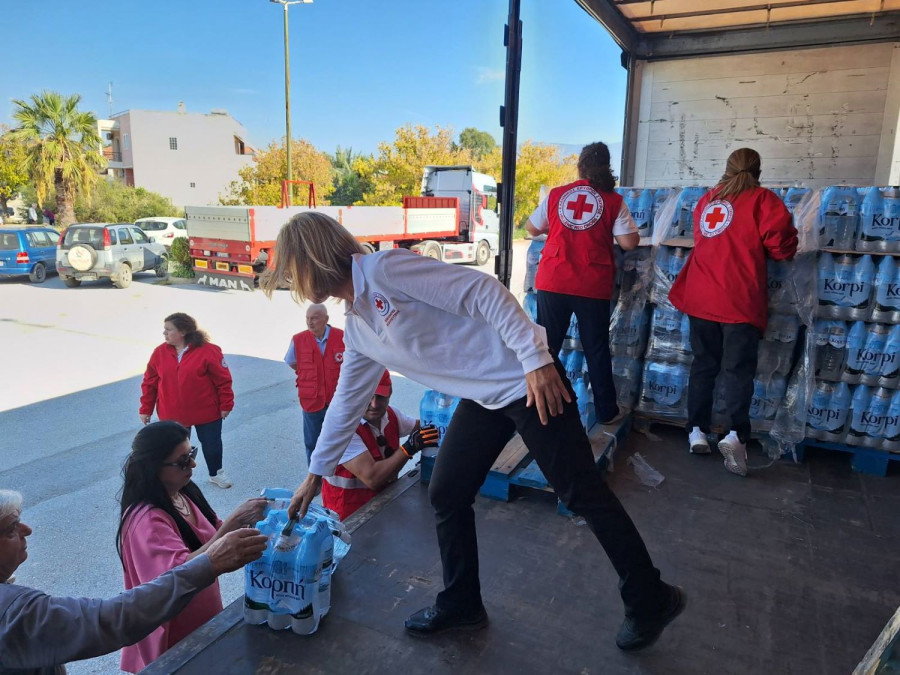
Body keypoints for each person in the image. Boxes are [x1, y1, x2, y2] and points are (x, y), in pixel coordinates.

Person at [261, 211, 683, 651]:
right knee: (447, 491)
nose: (291, 278)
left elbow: (482, 290)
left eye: (291, 266)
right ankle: (462, 603)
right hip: (485, 398)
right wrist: (315, 474)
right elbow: (347, 400)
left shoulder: (385, 270)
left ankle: (650, 596)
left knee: (580, 493)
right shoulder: (359, 326)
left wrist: (536, 358)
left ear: (312, 259)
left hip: (526, 380)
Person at [0, 489, 266, 675]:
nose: (27, 530)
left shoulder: (186, 495)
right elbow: (111, 619)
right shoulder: (14, 610)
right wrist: (211, 562)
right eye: (12, 527)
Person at [669, 147, 798, 476]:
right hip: (738, 298)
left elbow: (702, 238)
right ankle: (734, 435)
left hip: (700, 294)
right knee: (737, 371)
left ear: (726, 168)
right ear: (758, 170)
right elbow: (781, 247)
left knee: (703, 365)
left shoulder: (708, 200)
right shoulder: (764, 201)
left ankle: (696, 431)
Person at [115, 421, 267, 672]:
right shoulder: (147, 519)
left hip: (202, 619)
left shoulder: (182, 492)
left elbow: (214, 530)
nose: (194, 465)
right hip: (173, 633)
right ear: (154, 467)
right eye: (183, 461)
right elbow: (179, 574)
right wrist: (235, 522)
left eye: (192, 454)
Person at [525, 141, 639, 425]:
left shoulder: (557, 194)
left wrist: (561, 226)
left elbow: (531, 227)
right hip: (592, 283)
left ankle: (540, 410)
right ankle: (607, 412)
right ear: (607, 166)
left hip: (553, 279)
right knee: (596, 348)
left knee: (546, 348)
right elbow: (628, 242)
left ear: (581, 166)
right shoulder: (613, 199)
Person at [321, 370, 439, 520]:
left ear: (390, 394)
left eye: (381, 397)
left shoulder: (391, 415)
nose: (374, 404)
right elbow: (372, 479)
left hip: (383, 506)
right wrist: (408, 448)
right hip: (350, 518)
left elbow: (424, 427)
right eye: (369, 396)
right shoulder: (343, 428)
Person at [139, 312, 235, 489]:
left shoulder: (209, 351)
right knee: (176, 449)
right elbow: (150, 382)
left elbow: (223, 381)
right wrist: (146, 408)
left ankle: (216, 473)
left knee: (212, 445)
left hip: (206, 411)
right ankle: (178, 479)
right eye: (164, 330)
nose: (164, 334)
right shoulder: (159, 352)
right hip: (172, 414)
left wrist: (226, 404)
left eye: (169, 330)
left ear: (182, 332)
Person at [284, 304, 345, 465]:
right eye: (307, 318)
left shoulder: (342, 337)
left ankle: (338, 476)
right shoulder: (298, 339)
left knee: (341, 441)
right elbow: (291, 362)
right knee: (312, 442)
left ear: (326, 319)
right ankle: (315, 480)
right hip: (312, 400)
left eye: (314, 318)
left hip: (337, 401)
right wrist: (308, 375)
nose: (310, 322)